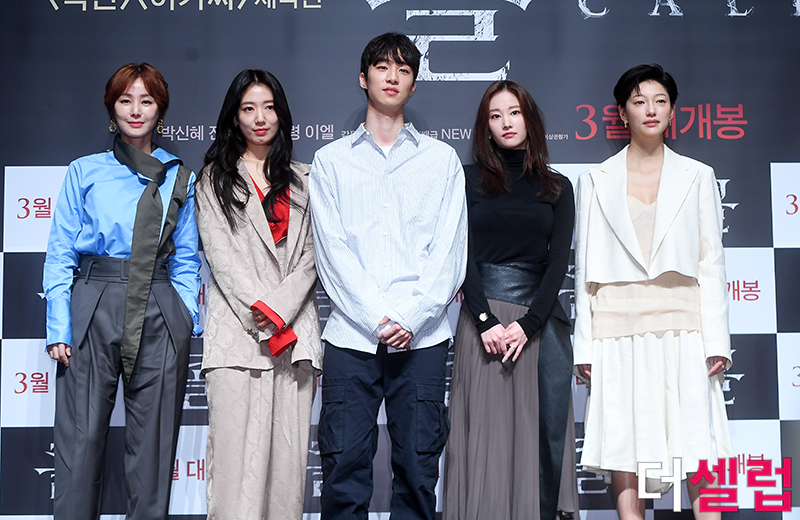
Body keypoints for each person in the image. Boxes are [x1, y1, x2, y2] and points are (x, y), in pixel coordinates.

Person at [309, 32, 468, 520]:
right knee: (344, 471)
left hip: (422, 339)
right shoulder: (330, 161)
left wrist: (410, 318)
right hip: (351, 337)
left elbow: (449, 252)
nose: (392, 76)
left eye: (404, 69)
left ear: (414, 85)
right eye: (382, 67)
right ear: (364, 78)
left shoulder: (441, 160)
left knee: (419, 472)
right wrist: (380, 317)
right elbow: (332, 251)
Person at [43, 62, 201, 520]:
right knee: (79, 445)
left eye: (146, 101)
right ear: (112, 108)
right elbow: (60, 252)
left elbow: (187, 259)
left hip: (159, 307)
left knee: (153, 451)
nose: (135, 110)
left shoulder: (179, 177)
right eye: (125, 100)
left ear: (160, 110)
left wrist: (184, 316)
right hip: (94, 302)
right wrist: (59, 325)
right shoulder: (84, 171)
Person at [574, 64, 732, 520]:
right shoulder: (595, 180)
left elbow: (711, 263)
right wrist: (585, 345)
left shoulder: (698, 176)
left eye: (660, 101)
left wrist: (717, 340)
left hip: (683, 327)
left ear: (673, 111)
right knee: (624, 444)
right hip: (615, 330)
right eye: (639, 101)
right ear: (622, 112)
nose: (650, 109)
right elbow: (584, 271)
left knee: (699, 441)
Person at [442, 80, 577, 520]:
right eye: (495, 115)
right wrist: (485, 321)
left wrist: (528, 325)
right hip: (482, 326)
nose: (506, 123)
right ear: (485, 126)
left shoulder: (558, 187)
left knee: (536, 441)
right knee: (486, 444)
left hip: (537, 329)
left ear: (530, 118)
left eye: (514, 112)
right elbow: (460, 255)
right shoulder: (466, 181)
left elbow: (558, 264)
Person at [195, 69, 322, 520]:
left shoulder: (308, 179)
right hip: (238, 338)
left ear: (281, 114)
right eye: (248, 108)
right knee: (234, 474)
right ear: (234, 117)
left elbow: (314, 256)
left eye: (268, 107)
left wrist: (281, 310)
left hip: (295, 340)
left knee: (286, 477)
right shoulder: (212, 180)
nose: (260, 118)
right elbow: (221, 258)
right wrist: (264, 312)